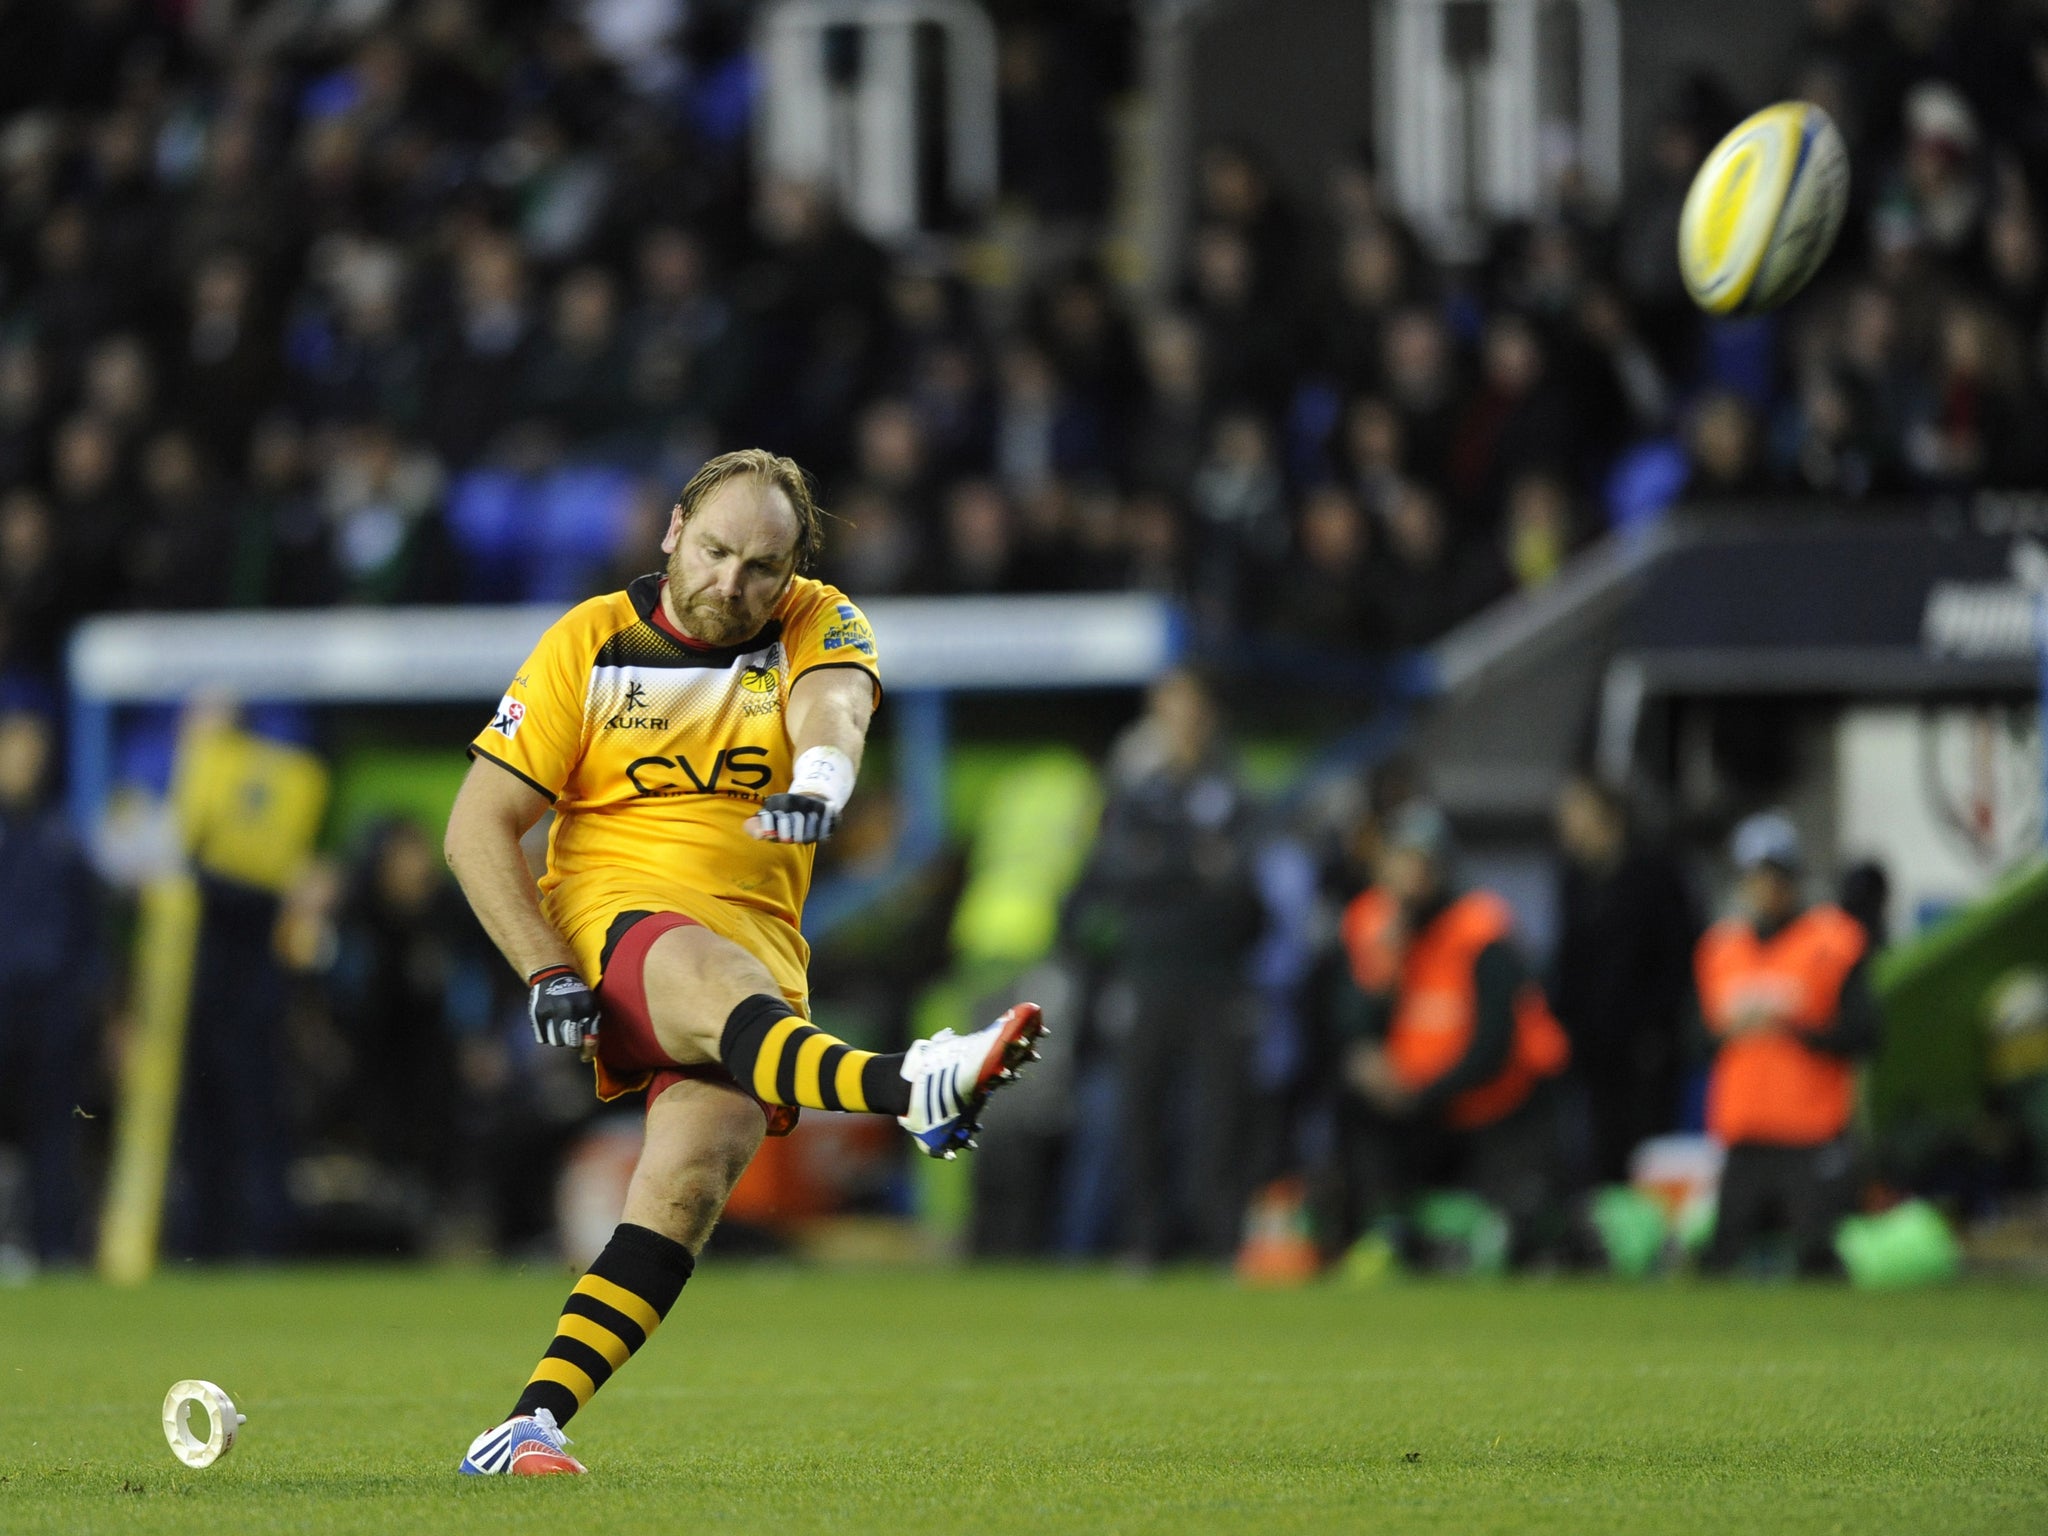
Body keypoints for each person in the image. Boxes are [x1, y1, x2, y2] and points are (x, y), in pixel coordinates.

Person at [444, 448, 1045, 1476]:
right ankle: (913, 1085)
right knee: (709, 978)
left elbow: (837, 711)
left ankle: (526, 1424)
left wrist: (819, 779)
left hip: (756, 951)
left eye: (762, 567)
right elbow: (476, 828)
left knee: (684, 1186)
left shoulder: (821, 618)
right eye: (716, 551)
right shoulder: (588, 642)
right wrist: (546, 969)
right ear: (675, 528)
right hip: (617, 920)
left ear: (793, 567)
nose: (732, 583)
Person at [1331, 803, 1572, 1265]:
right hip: (1420, 1109)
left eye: (1421, 863)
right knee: (1354, 1105)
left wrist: (1422, 1092)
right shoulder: (1372, 924)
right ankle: (1375, 1227)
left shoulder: (1479, 928)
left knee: (1519, 1235)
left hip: (1497, 1105)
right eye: (1401, 861)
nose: (1411, 875)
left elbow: (1493, 1045)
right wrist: (1382, 979)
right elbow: (1349, 1026)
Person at [1695, 813, 1879, 1277]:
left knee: (1818, 1259)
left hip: (1811, 1134)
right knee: (1723, 1262)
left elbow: (1866, 1033)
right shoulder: (1721, 948)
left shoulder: (1832, 941)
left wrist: (1792, 1027)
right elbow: (1692, 1037)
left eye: (1775, 876)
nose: (1765, 889)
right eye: (1756, 877)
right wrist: (1732, 1031)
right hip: (1745, 1134)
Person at [1550, 776, 1700, 1185]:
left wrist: (1657, 1032)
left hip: (1647, 1052)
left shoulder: (1656, 874)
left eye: (1575, 812)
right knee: (1600, 1157)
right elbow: (1570, 964)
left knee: (1649, 1158)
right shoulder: (1574, 882)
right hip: (1594, 1054)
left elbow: (1680, 958)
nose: (1565, 823)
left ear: (1608, 817)